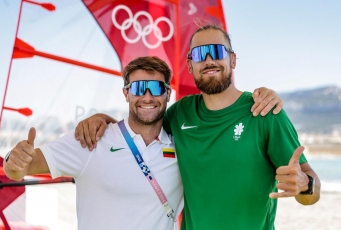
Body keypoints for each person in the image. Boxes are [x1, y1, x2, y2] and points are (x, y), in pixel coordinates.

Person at [75, 25, 321, 230]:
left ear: (232, 59)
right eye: (199, 54)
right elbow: (140, 127)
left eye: (216, 51)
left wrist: (304, 184)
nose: (208, 60)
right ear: (190, 65)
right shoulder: (180, 112)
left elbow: (311, 193)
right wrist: (102, 118)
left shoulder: (265, 112)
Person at [3, 57, 185, 230]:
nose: (147, 97)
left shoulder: (183, 149)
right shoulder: (91, 139)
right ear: (126, 93)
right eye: (138, 88)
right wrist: (14, 160)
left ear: (168, 93)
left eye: (156, 88)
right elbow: (17, 170)